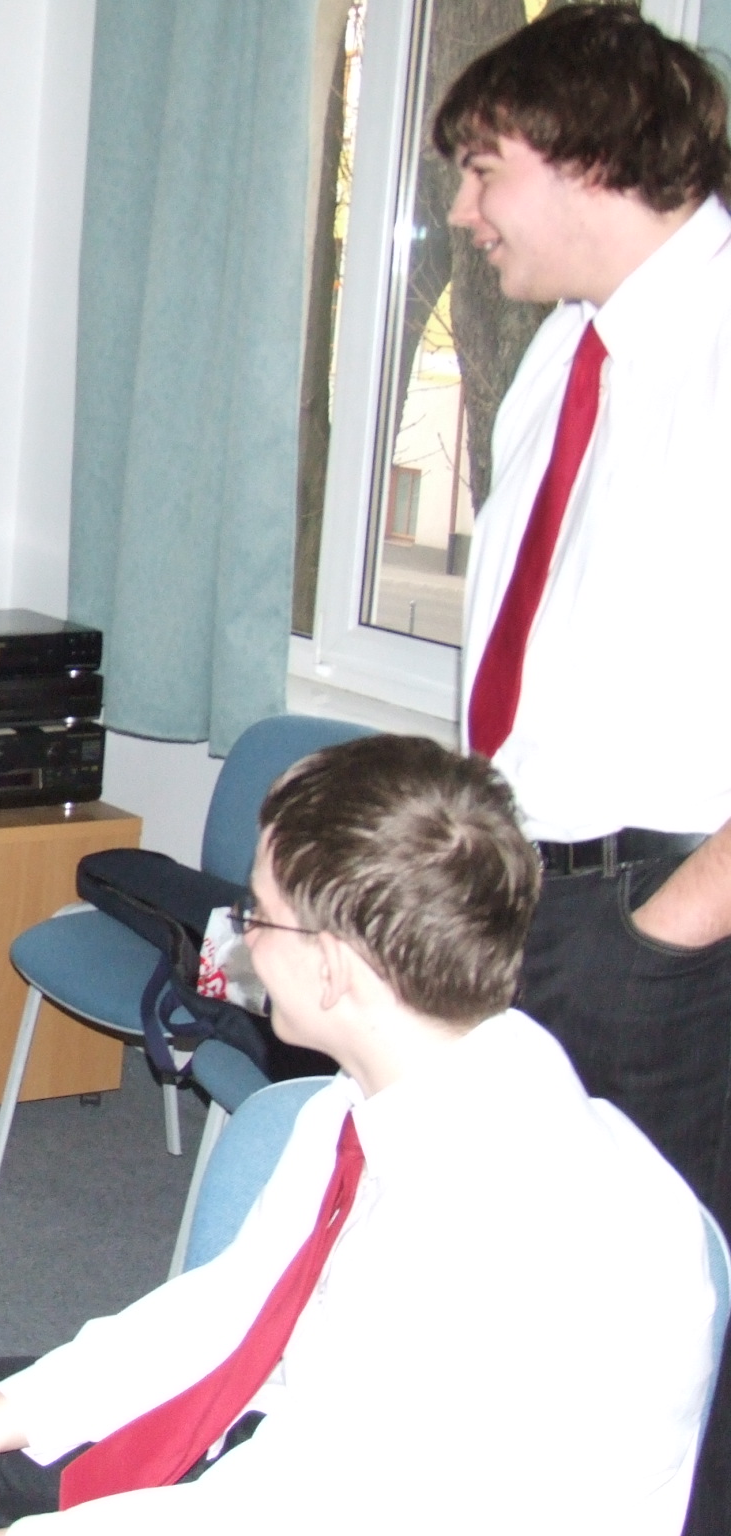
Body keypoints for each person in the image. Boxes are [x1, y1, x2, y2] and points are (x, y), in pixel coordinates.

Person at [0, 735, 719, 1535]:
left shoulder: (492, 1238)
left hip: (319, 1500)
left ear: (334, 969)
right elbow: (229, 1304)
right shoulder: (393, 1087)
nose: (238, 941)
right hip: (281, 1438)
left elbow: (280, 1508)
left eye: (258, 916)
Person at [433, 10, 731, 1528]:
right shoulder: (565, 351)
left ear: (586, 155)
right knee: (536, 1294)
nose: (462, 211)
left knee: (668, 1330)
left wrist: (663, 935)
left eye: (484, 170)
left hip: (666, 911)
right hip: (533, 884)